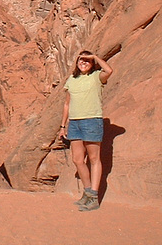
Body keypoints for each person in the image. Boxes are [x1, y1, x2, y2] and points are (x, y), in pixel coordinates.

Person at [58, 50, 113, 211]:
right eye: (81, 60)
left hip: (92, 120)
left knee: (94, 158)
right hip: (74, 123)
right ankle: (88, 192)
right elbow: (67, 104)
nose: (84, 63)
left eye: (87, 61)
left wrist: (95, 57)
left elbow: (109, 71)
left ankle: (94, 197)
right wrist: (63, 126)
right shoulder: (72, 80)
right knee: (77, 159)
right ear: (76, 62)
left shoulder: (97, 77)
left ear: (92, 63)